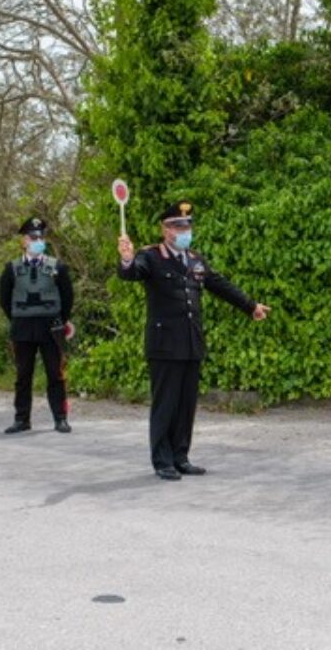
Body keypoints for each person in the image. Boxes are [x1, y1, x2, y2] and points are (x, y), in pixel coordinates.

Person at [117, 201, 271, 481]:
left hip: (190, 342)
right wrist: (126, 258)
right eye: (178, 226)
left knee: (186, 404)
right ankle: (162, 460)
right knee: (166, 403)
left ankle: (180, 456)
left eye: (187, 225)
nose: (184, 230)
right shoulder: (150, 257)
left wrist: (250, 306)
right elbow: (131, 273)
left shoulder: (195, 259)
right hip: (164, 344)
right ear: (165, 230)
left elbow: (219, 284)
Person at [0, 217, 74, 434]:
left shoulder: (57, 267)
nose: (37, 241)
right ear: (23, 241)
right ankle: (22, 419)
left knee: (55, 374)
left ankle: (60, 418)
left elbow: (68, 297)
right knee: (23, 376)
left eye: (40, 237)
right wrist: (17, 318)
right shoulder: (11, 268)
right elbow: (4, 299)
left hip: (51, 328)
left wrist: (61, 320)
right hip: (22, 328)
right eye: (32, 237)